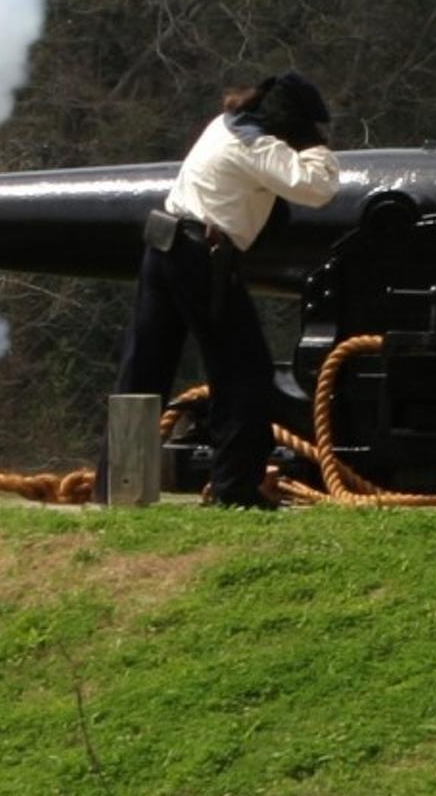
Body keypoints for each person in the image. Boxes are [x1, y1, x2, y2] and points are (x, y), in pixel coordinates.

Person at [118, 72, 341, 507]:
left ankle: (118, 483)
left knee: (143, 371)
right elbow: (319, 189)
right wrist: (312, 145)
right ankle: (233, 488)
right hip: (202, 256)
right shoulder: (257, 146)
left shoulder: (222, 125)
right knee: (243, 373)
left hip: (164, 243)